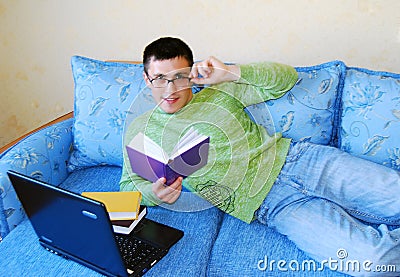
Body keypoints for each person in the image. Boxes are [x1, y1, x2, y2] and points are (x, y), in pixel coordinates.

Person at [120, 37, 400, 275]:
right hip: (270, 205)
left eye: (179, 77)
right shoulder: (141, 129)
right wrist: (155, 193)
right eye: (159, 79)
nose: (170, 89)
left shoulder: (219, 92)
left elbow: (286, 79)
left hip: (301, 161)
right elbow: (128, 188)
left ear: (190, 74)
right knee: (373, 263)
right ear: (146, 78)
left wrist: (231, 72)